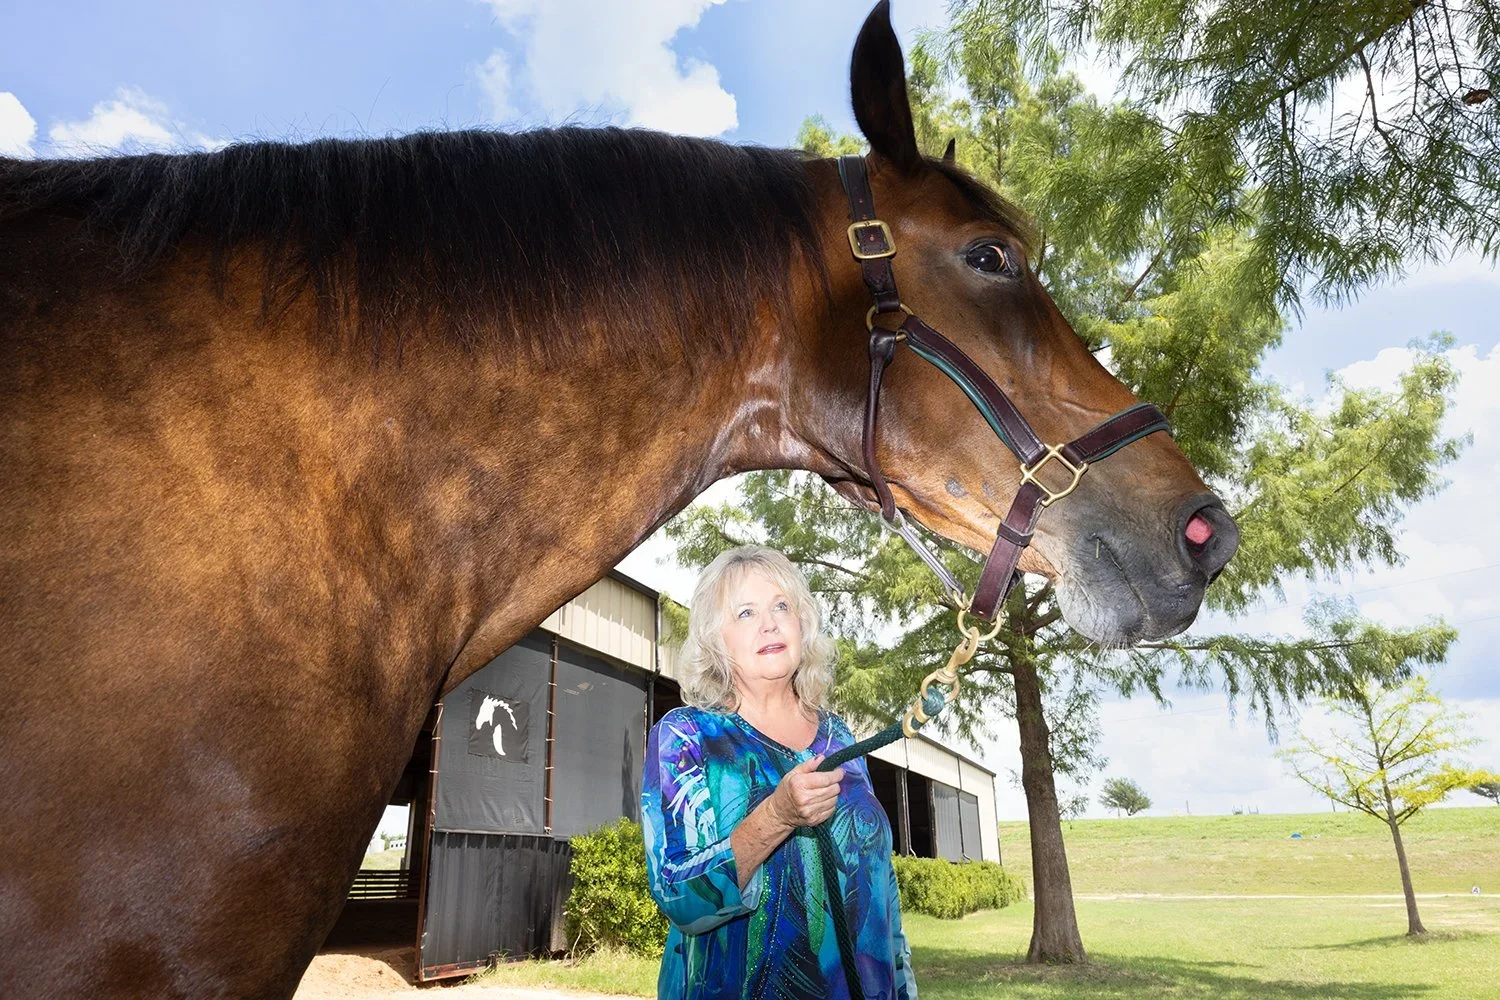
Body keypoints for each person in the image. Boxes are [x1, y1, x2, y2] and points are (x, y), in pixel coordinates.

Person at [641, 545, 916, 1000]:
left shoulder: (839, 737)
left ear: (802, 624)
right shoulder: (688, 736)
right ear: (716, 640)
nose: (769, 623)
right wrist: (777, 816)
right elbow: (680, 899)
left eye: (781, 606)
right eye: (746, 612)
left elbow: (882, 894)